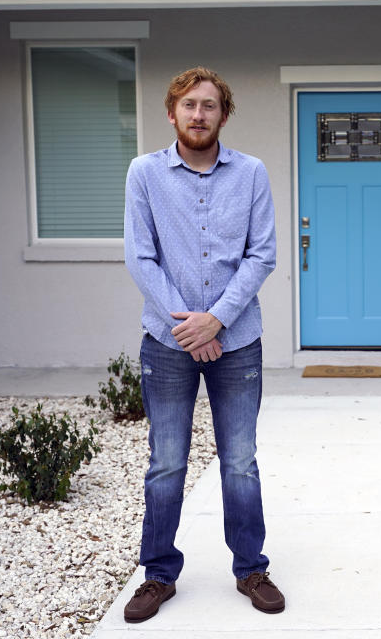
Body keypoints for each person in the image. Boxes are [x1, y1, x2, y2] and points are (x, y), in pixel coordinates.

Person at [121, 66, 283, 623]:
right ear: (172, 113)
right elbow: (141, 257)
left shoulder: (253, 173)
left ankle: (251, 569)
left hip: (238, 341)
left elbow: (262, 254)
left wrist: (215, 320)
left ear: (223, 114)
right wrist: (187, 327)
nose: (198, 114)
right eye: (188, 105)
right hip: (166, 344)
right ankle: (158, 575)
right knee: (166, 462)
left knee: (240, 461)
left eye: (209, 105)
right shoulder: (144, 173)